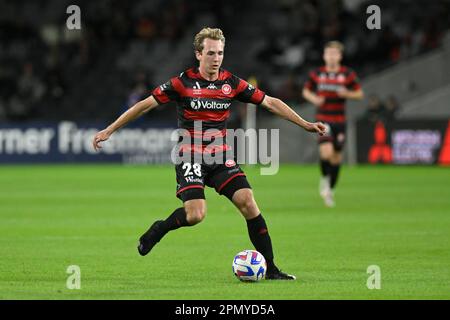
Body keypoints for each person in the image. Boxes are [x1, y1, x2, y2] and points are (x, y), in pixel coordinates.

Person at [93, 27, 325, 280]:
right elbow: (144, 105)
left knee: (248, 202)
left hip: (219, 156)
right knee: (196, 215)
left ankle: (271, 269)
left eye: (220, 53)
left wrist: (305, 124)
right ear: (198, 54)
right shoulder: (182, 83)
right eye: (211, 53)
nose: (216, 58)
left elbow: (270, 102)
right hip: (189, 156)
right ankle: (159, 229)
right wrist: (110, 129)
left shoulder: (231, 83)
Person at [302, 41, 364, 207]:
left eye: (334, 53)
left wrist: (347, 93)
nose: (330, 56)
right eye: (328, 53)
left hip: (340, 121)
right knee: (326, 154)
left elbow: (359, 93)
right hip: (323, 119)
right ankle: (324, 178)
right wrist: (314, 98)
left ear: (340, 56)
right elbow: (306, 90)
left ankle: (330, 189)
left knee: (336, 158)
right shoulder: (317, 73)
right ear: (324, 55)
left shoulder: (347, 74)